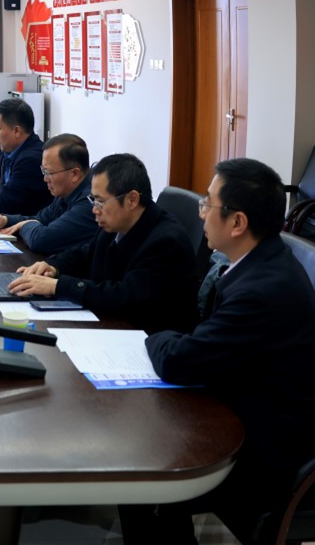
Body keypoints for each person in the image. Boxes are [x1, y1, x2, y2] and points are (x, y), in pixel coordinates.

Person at [121, 158, 315, 544]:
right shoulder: (257, 263)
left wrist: (151, 336)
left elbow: (178, 360)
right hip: (237, 406)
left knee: (141, 474)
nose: (201, 214)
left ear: (237, 222)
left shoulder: (262, 290)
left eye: (207, 204)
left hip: (266, 448)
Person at [7, 153, 198, 333]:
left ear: (132, 200)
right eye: (93, 200)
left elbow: (124, 297)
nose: (94, 210)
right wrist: (53, 267)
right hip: (112, 325)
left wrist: (57, 286)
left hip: (147, 339)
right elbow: (86, 254)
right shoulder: (116, 223)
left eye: (100, 201)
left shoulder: (166, 242)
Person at [0, 133, 98, 254]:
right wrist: (4, 220)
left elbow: (43, 240)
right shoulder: (66, 192)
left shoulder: (90, 202)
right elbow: (41, 219)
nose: (45, 179)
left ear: (75, 174)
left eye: (49, 172)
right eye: (43, 171)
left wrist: (23, 225)